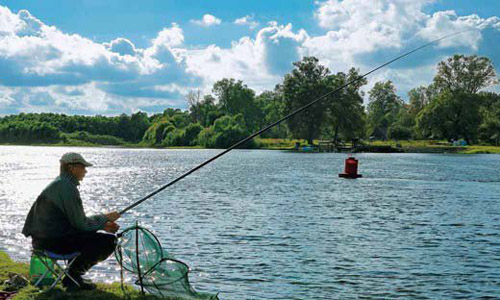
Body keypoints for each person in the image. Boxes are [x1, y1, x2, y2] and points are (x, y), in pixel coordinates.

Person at [22, 152, 121, 290]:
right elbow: (81, 224)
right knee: (109, 241)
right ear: (72, 168)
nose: (85, 171)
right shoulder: (66, 187)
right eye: (83, 167)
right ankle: (73, 277)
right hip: (52, 242)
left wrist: (102, 226)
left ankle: (72, 276)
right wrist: (105, 217)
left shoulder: (60, 184)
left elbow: (75, 223)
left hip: (44, 240)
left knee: (88, 236)